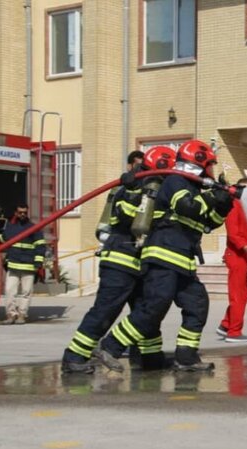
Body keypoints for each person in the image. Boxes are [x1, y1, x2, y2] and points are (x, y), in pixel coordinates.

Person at [92, 140, 234, 373]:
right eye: (211, 165)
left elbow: (208, 223)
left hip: (183, 261)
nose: (212, 171)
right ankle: (110, 346)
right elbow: (187, 207)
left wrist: (224, 204)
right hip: (163, 255)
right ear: (198, 163)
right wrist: (213, 196)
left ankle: (186, 357)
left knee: (197, 304)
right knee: (154, 307)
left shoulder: (195, 188)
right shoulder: (175, 181)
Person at [61, 147, 177, 374]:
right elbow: (126, 215)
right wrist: (137, 190)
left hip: (140, 261)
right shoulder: (130, 187)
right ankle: (74, 357)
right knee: (105, 310)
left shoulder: (154, 187)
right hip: (120, 260)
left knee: (145, 311)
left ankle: (150, 358)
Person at [216, 177, 247, 343]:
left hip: (243, 256)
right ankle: (234, 332)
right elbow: (233, 234)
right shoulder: (234, 206)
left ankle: (225, 324)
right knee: (238, 295)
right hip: (236, 255)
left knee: (244, 292)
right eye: (243, 188)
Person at [0, 204, 46, 325]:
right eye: (20, 212)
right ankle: (11, 315)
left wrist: (38, 263)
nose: (23, 214)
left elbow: (40, 247)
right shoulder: (10, 227)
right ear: (16, 213)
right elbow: (3, 240)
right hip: (13, 264)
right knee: (9, 291)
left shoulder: (34, 228)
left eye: (25, 212)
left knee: (26, 292)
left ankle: (22, 315)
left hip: (28, 266)